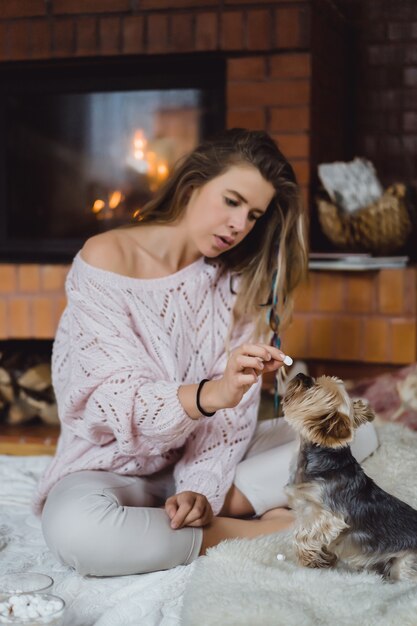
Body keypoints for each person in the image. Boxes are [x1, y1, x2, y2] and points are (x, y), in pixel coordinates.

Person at [33, 128, 378, 577]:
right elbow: (110, 405)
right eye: (231, 201)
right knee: (80, 533)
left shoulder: (237, 285)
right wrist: (208, 395)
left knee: (355, 430)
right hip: (109, 469)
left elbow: (233, 422)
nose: (239, 225)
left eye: (253, 215)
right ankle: (259, 530)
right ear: (194, 184)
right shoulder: (104, 259)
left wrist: (201, 491)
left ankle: (192, 520)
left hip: (204, 469)